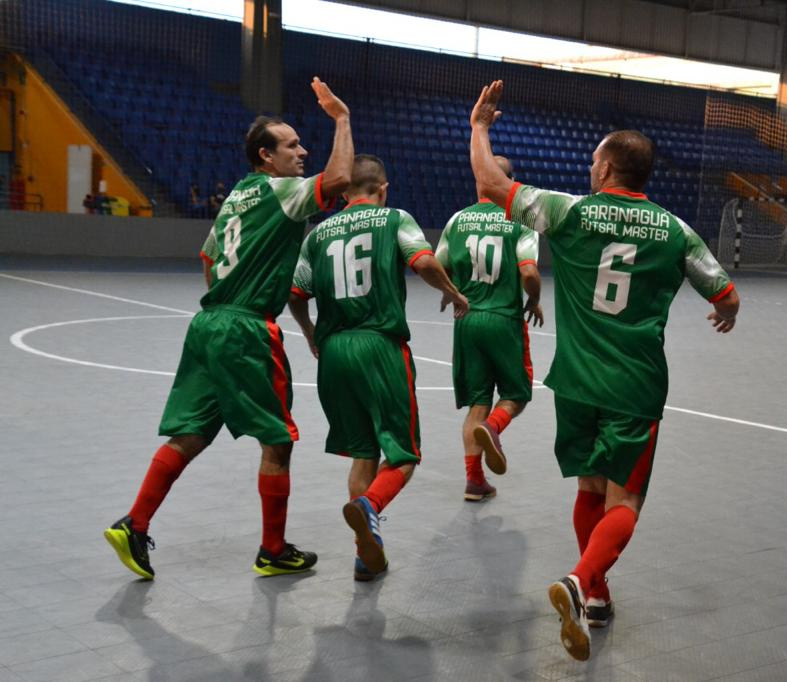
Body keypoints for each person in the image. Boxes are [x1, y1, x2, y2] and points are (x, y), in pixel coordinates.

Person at [469, 80, 740, 661]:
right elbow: (724, 291)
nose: (589, 166)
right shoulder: (675, 230)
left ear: (609, 166)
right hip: (636, 384)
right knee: (626, 501)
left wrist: (480, 128)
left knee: (590, 487)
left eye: (594, 159)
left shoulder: (569, 212)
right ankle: (579, 579)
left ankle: (596, 595)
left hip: (576, 380)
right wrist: (726, 312)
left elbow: (491, 185)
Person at [103, 77, 355, 580]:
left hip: (208, 323)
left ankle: (134, 523)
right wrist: (342, 119)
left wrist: (229, 293)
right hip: (244, 329)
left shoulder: (238, 194)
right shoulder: (282, 192)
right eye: (291, 146)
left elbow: (208, 256)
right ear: (266, 156)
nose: (302, 151)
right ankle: (273, 549)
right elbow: (341, 178)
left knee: (191, 433)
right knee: (278, 441)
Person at [288, 154, 469, 582]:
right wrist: (454, 292)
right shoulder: (393, 219)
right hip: (380, 346)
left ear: (344, 192)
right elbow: (423, 261)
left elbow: (296, 293)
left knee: (362, 452)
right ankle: (370, 507)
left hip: (333, 354)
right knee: (403, 455)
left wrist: (311, 332)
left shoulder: (317, 234)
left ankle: (364, 554)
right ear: (382, 189)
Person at [435, 156, 543, 502]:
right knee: (516, 394)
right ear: (509, 182)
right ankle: (493, 428)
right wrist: (534, 299)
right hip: (503, 320)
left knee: (477, 401)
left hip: (466, 321)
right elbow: (528, 273)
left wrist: (450, 292)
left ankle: (474, 481)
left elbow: (437, 265)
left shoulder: (456, 220)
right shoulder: (519, 220)